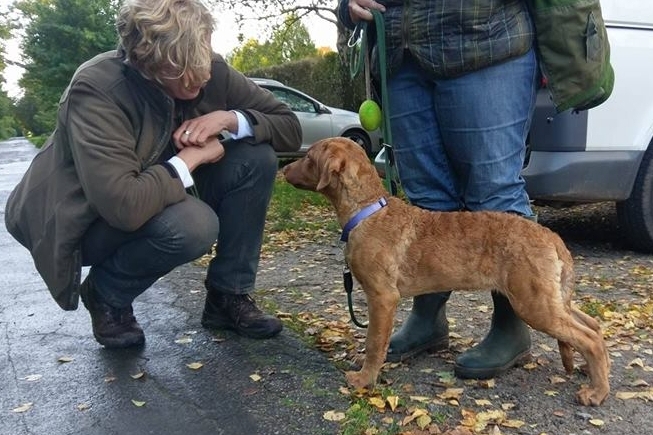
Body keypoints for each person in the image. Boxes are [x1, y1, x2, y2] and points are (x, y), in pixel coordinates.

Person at [5, 0, 302, 348]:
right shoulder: (97, 89)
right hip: (80, 219)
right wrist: (193, 158)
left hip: (149, 188)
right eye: (187, 70)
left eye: (204, 59)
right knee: (193, 225)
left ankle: (227, 297)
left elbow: (289, 127)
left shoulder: (206, 66)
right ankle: (107, 294)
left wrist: (230, 119)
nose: (203, 76)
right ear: (149, 64)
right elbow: (124, 206)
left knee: (256, 156)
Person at [338, 0, 539, 380]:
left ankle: (512, 325)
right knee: (426, 198)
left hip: (484, 40)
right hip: (402, 54)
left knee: (493, 192)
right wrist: (347, 5)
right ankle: (427, 320)